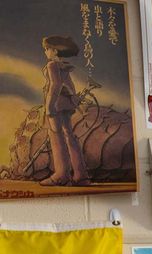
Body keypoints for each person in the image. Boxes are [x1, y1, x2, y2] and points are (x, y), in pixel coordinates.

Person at [40, 35, 89, 186]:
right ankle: (81, 176)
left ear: (54, 51)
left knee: (56, 137)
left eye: (47, 49)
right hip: (66, 105)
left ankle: (61, 175)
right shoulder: (64, 66)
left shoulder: (52, 66)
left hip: (55, 106)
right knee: (70, 136)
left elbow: (55, 86)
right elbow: (69, 86)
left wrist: (49, 106)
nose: (45, 52)